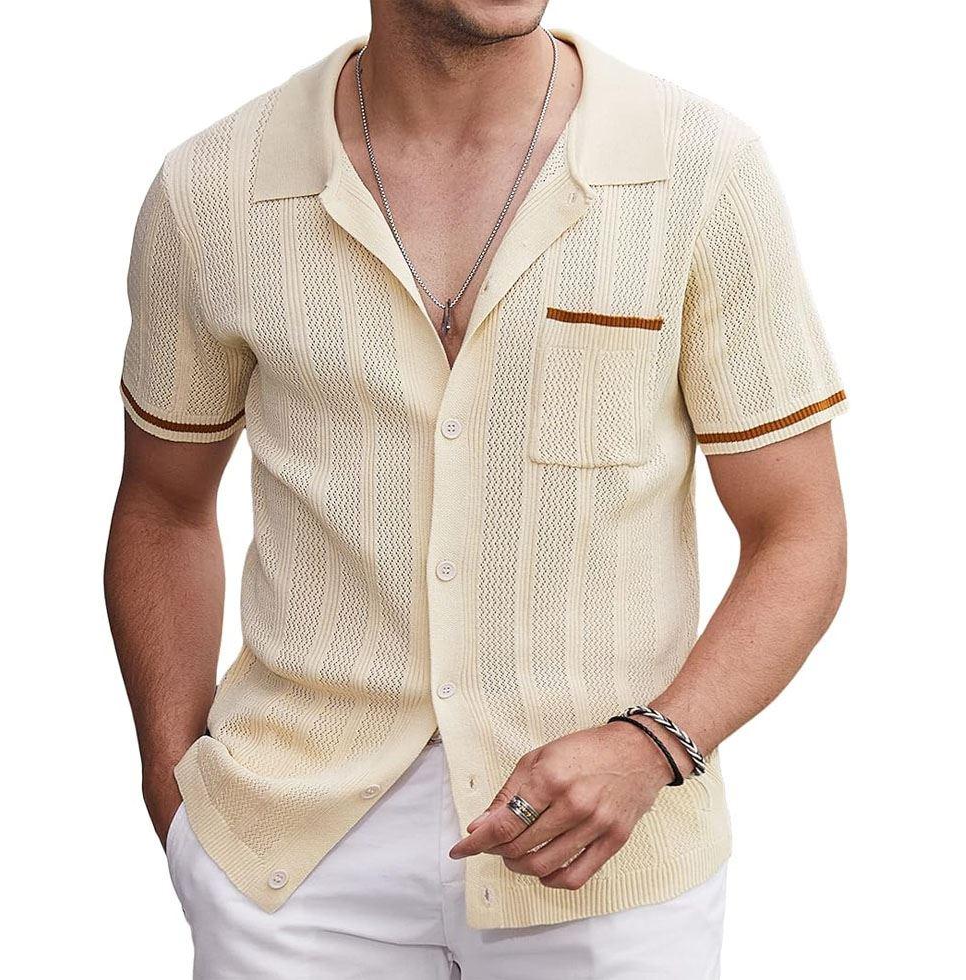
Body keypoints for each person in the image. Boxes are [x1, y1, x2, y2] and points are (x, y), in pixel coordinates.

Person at [104, 2, 848, 976]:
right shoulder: (213, 190)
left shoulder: (698, 168)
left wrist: (652, 746)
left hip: (613, 863)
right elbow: (162, 505)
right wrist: (173, 795)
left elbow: (798, 528)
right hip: (287, 860)